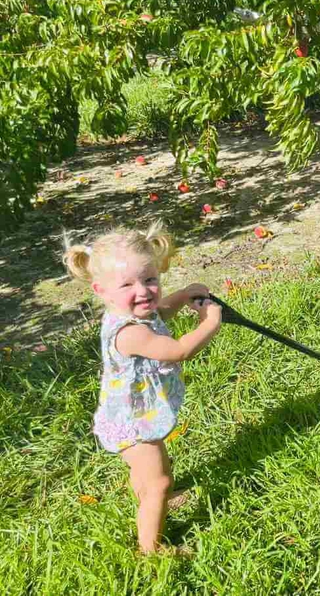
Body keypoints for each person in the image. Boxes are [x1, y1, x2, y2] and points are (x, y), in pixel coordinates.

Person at [63, 222, 222, 554]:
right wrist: (211, 322)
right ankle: (151, 549)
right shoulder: (130, 333)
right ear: (101, 290)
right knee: (160, 481)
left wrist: (181, 295)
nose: (143, 291)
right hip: (134, 424)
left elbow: (161, 310)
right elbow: (179, 351)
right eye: (127, 284)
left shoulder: (127, 311)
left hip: (133, 414)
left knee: (150, 472)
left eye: (150, 279)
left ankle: (151, 496)